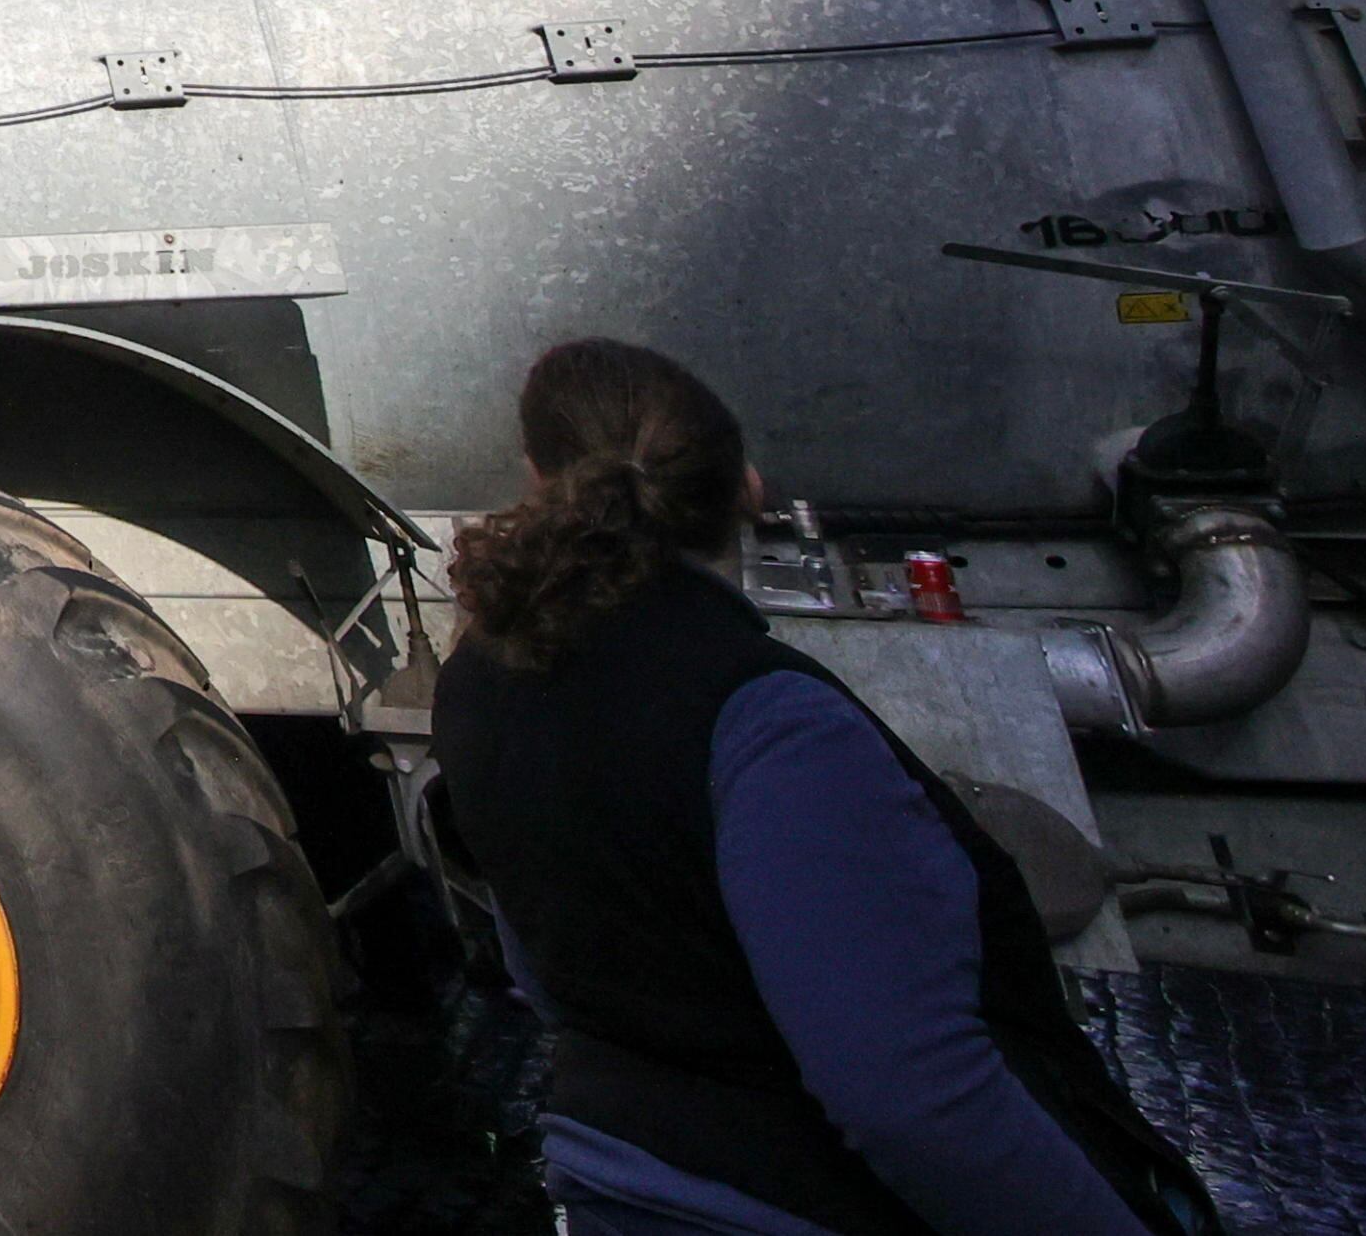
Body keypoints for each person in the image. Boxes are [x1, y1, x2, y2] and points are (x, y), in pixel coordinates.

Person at [431, 341, 1215, 1236]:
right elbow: (911, 1097)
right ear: (750, 488)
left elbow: (545, 976)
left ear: (539, 479)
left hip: (622, 1188)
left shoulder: (478, 685)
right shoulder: (770, 725)